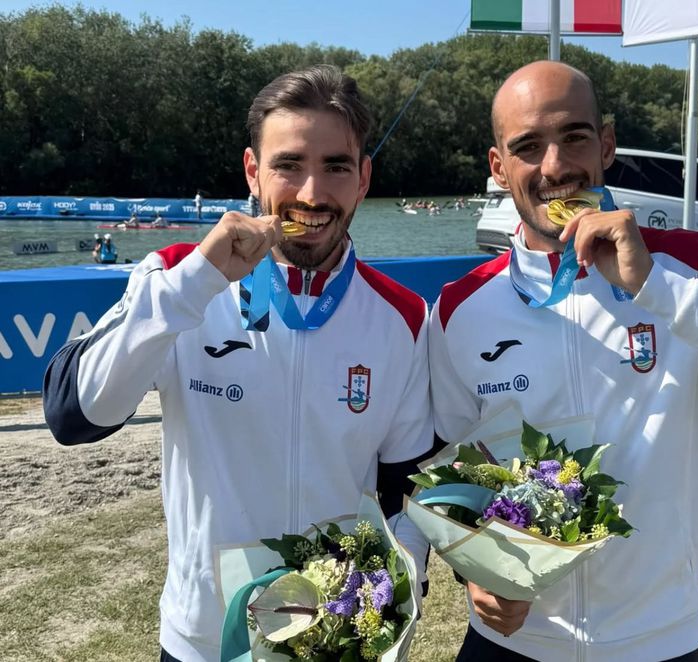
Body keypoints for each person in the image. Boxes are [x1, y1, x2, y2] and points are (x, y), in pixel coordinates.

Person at [428, 60, 698, 662]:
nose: (555, 167)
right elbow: (451, 463)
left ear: (605, 144)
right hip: (511, 647)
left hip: (661, 642)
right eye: (528, 146)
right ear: (499, 167)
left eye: (574, 136)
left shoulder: (692, 261)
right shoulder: (459, 307)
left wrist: (657, 286)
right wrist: (472, 568)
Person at [43, 65, 433, 662]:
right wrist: (193, 285)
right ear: (253, 172)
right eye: (288, 165)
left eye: (336, 166)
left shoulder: (403, 316)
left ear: (363, 179)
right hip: (205, 641)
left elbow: (401, 487)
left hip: (338, 639)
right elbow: (75, 415)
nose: (311, 193)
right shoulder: (177, 277)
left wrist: (403, 592)